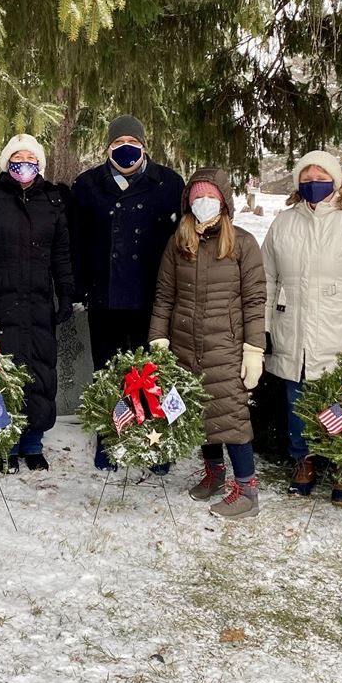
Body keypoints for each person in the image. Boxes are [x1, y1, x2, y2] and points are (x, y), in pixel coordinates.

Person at [261, 150, 342, 505]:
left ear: (336, 180)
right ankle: (305, 460)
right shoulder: (284, 223)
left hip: (339, 332)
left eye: (321, 177)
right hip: (294, 330)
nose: (313, 183)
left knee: (341, 402)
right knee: (297, 401)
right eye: (307, 177)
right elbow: (268, 279)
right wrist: (265, 327)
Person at [69, 114, 185, 471]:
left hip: (152, 297)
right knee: (107, 370)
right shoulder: (87, 185)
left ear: (144, 146)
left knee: (152, 371)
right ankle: (110, 434)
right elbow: (75, 242)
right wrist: (78, 287)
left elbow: (181, 242)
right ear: (108, 147)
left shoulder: (168, 183)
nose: (125, 150)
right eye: (118, 144)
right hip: (104, 296)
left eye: (132, 144)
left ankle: (154, 436)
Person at [149, 169, 267, 517]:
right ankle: (214, 474)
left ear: (224, 202)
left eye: (211, 197)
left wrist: (253, 350)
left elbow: (254, 300)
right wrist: (158, 339)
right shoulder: (178, 242)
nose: (204, 203)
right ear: (188, 203)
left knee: (231, 417)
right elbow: (164, 296)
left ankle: (247, 491)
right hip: (185, 344)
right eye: (198, 197)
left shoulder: (243, 243)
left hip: (226, 347)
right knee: (201, 415)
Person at [0, 134, 74, 472]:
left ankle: (32, 443)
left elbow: (61, 255)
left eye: (31, 159)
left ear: (40, 164)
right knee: (2, 372)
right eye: (17, 158)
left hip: (38, 303)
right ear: (7, 163)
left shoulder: (52, 202)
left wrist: (66, 292)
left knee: (38, 369)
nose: (24, 164)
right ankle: (4, 440)